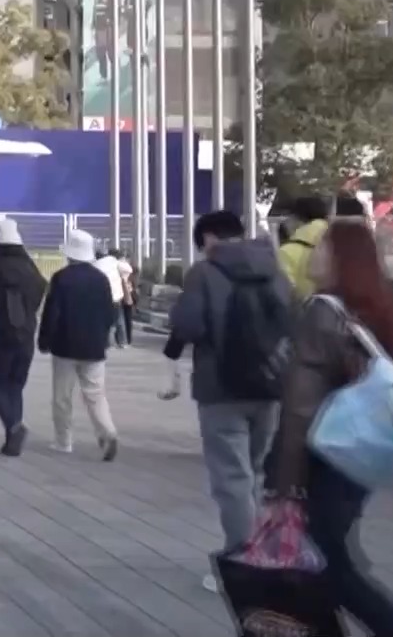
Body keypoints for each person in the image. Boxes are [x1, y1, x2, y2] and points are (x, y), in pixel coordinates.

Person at [264, 220, 393, 636]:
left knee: (328, 565)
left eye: (322, 247)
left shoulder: (322, 311)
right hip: (360, 452)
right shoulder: (375, 309)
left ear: (340, 259)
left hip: (326, 452)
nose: (313, 254)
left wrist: (285, 484)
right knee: (329, 555)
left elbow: (300, 407)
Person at [168, 208, 292, 594]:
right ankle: (260, 553)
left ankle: (243, 563)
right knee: (254, 473)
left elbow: (188, 325)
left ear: (208, 238)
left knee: (232, 478)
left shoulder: (203, 273)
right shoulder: (274, 270)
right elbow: (293, 321)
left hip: (220, 388)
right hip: (270, 387)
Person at [36, 230, 120, 461]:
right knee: (95, 394)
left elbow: (51, 313)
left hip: (65, 346)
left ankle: (63, 441)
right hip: (94, 347)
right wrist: (103, 337)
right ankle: (107, 431)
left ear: (69, 253)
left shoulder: (61, 278)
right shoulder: (101, 278)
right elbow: (110, 313)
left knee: (62, 396)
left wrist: (44, 340)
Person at [0, 218, 47, 457]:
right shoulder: (30, 269)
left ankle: (14, 427)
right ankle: (12, 439)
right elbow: (40, 290)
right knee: (15, 385)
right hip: (26, 332)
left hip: (1, 332)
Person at [276, 195, 328, 301]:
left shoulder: (287, 251)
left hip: (303, 309)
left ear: (296, 219)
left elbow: (284, 294)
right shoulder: (339, 243)